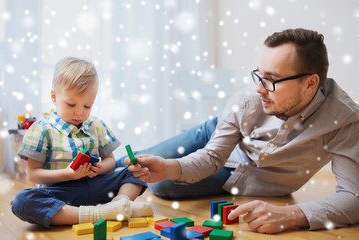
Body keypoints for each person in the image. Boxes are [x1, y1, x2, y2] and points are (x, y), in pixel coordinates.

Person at [123, 28, 359, 234]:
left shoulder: (344, 121)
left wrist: (291, 215)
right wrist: (169, 166)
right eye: (259, 75)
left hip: (254, 176)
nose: (259, 89)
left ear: (310, 84)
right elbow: (213, 156)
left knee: (160, 184)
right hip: (216, 135)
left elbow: (353, 197)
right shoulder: (248, 98)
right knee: (139, 163)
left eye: (271, 79)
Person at [11, 57, 153, 228]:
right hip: (62, 194)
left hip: (98, 186)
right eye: (71, 104)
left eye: (87, 106)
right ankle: (104, 213)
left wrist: (101, 167)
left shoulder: (96, 125)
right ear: (54, 97)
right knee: (22, 201)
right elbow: (33, 175)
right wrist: (68, 174)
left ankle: (120, 203)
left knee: (138, 166)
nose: (79, 112)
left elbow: (110, 161)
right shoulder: (41, 129)